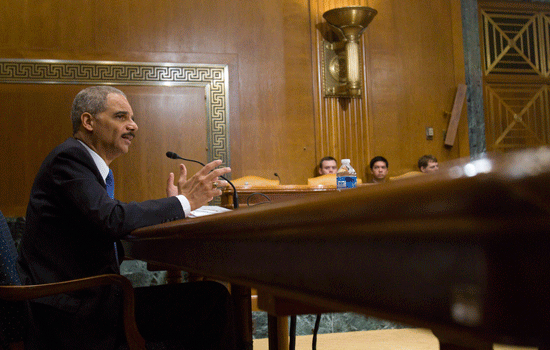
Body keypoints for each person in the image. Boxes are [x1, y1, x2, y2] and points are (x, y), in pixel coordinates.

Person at [16, 86, 237, 350]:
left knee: (208, 298)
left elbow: (105, 221)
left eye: (132, 118)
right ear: (88, 121)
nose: (134, 126)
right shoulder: (69, 158)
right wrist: (181, 202)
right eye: (121, 117)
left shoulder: (87, 166)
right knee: (212, 300)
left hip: (88, 301)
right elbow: (111, 218)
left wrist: (179, 207)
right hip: (72, 313)